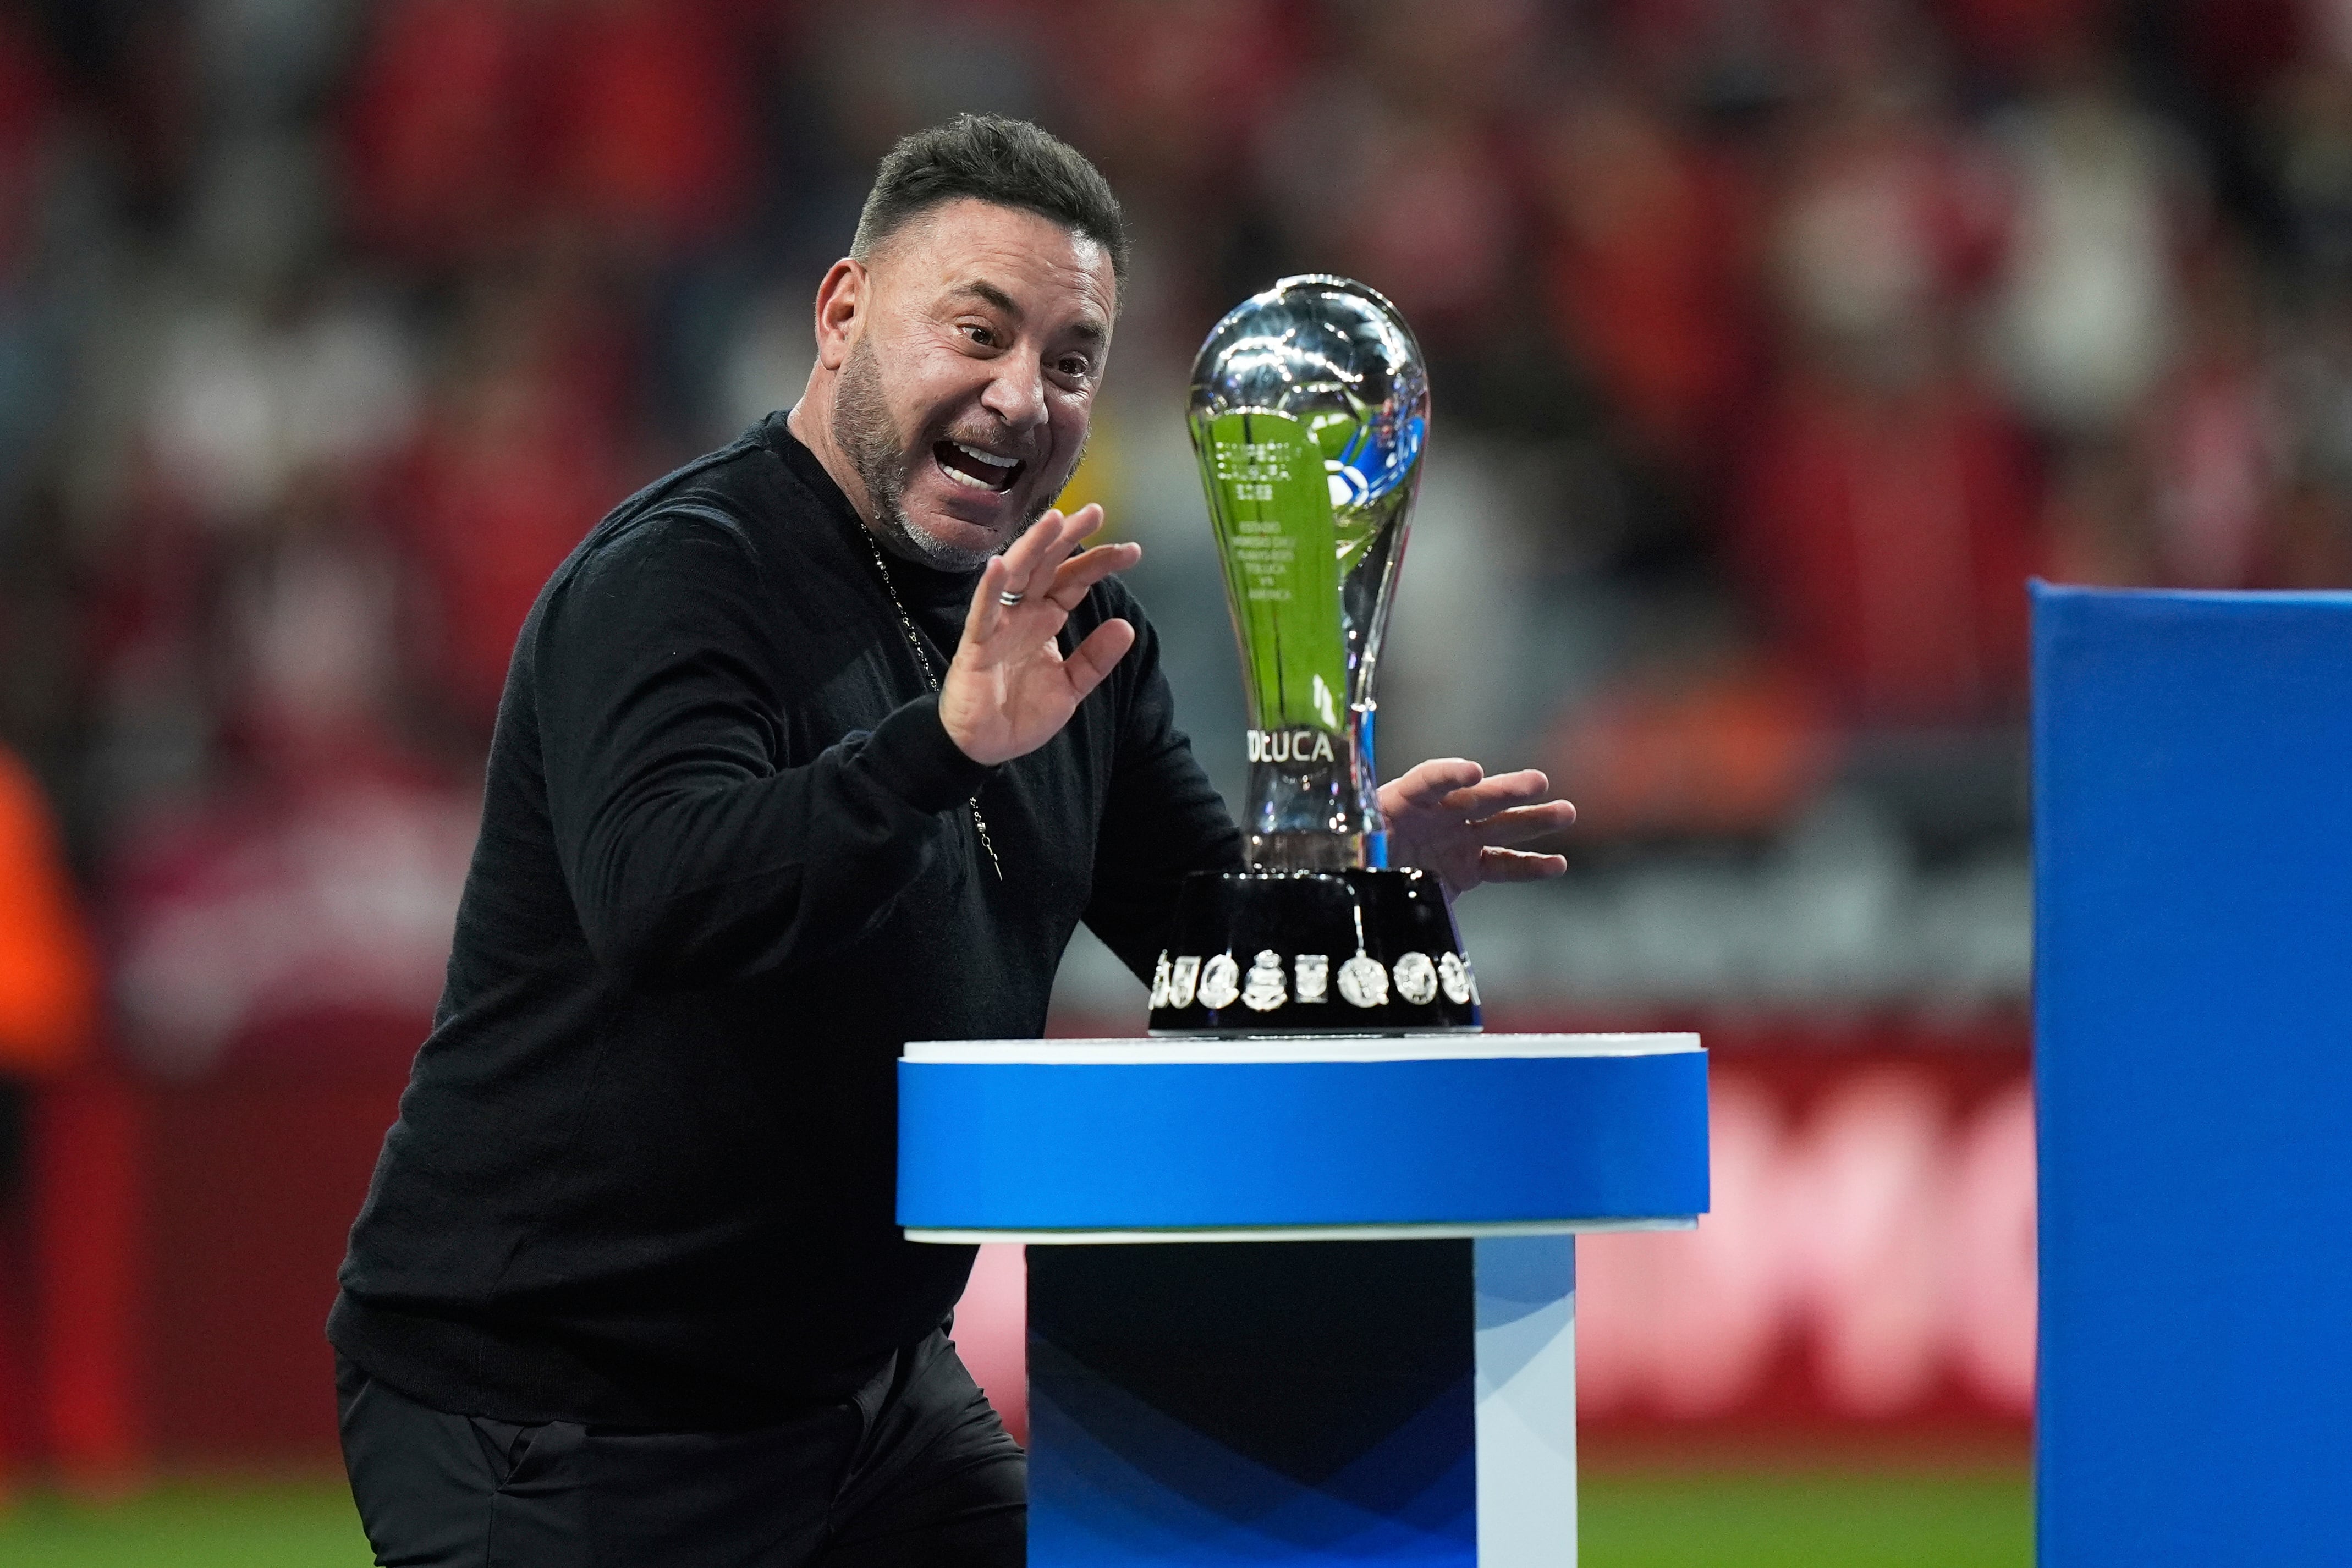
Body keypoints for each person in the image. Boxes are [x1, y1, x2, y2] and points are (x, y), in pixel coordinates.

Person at [330, 114, 1574, 1567]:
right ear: (844, 312)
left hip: (867, 1401)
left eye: (1067, 359)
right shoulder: (678, 578)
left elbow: (1202, 941)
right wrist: (943, 743)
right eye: (975, 332)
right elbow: (662, 899)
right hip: (556, 1405)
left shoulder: (1080, 633)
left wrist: (1353, 876)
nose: (1019, 395)